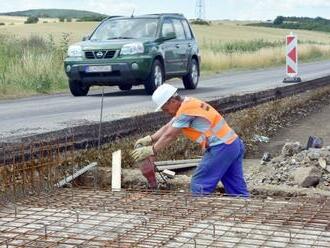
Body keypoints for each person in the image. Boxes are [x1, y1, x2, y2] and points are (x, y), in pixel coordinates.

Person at [131, 84, 249, 197]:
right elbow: (168, 127)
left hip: (221, 148)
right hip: (233, 144)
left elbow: (170, 135)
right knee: (235, 185)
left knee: (199, 183)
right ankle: (245, 209)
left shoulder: (186, 111)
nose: (166, 112)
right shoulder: (188, 104)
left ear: (173, 101)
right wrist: (149, 139)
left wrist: (152, 150)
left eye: (166, 109)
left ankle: (199, 214)